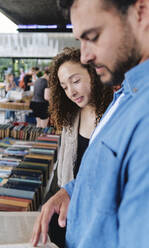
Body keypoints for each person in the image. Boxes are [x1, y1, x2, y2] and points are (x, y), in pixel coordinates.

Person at [32, 0, 149, 247]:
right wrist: (71, 191)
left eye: (93, 36)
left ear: (142, 12)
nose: (85, 55)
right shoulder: (126, 93)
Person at [43, 47, 113, 247]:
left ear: (93, 73)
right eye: (64, 87)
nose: (71, 92)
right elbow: (61, 169)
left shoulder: (113, 115)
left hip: (97, 219)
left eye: (76, 81)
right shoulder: (70, 117)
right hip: (66, 215)